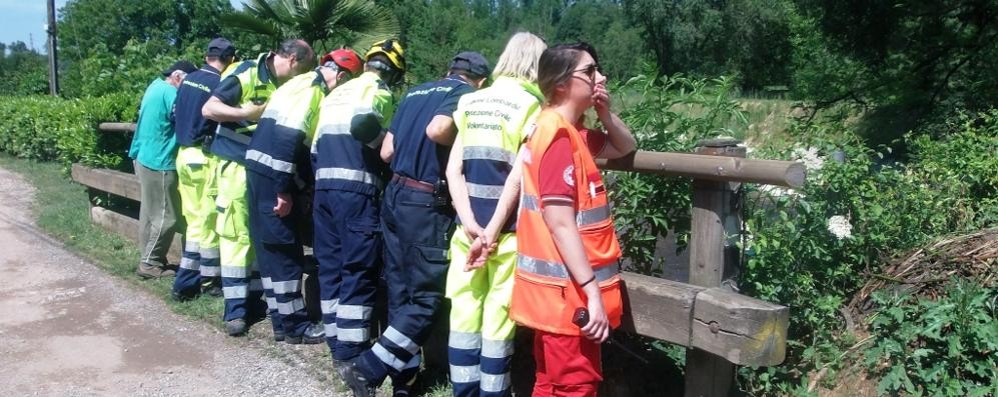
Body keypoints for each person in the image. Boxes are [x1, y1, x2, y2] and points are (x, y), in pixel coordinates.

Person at [335, 50, 490, 397]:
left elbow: (387, 152)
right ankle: (368, 367)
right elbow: (438, 130)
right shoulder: (464, 95)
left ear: (449, 69)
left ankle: (402, 382)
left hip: (395, 195)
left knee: (401, 291)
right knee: (427, 299)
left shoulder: (415, 92)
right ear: (480, 81)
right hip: (425, 203)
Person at [506, 43, 636, 396]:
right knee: (574, 387)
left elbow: (625, 146)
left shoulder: (565, 131)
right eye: (590, 71)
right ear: (562, 83)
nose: (601, 77)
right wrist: (592, 294)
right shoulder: (560, 137)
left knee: (550, 384)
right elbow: (560, 222)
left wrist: (606, 114)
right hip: (569, 299)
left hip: (554, 299)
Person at [442, 32, 547, 397]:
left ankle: (463, 392)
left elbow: (453, 170)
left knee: (464, 315)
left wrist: (471, 225)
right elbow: (516, 179)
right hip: (505, 235)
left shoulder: (471, 101)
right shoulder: (532, 108)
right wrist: (491, 232)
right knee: (498, 320)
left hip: (466, 231)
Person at [244, 48, 365, 344]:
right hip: (275, 173)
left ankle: (280, 322)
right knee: (285, 250)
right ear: (340, 75)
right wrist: (283, 188)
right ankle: (296, 327)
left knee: (270, 249)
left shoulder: (295, 82)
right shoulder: (314, 91)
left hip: (258, 168)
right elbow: (289, 136)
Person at [202, 38, 316, 336]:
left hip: (262, 170)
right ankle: (235, 312)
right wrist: (247, 115)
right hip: (235, 164)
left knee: (259, 237)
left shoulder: (288, 86)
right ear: (292, 59)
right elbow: (209, 108)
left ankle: (255, 301)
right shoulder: (248, 73)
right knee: (237, 236)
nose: (306, 74)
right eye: (304, 67)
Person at [310, 39, 404, 379]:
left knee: (331, 265)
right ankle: (350, 352)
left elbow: (316, 147)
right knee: (358, 267)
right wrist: (388, 153)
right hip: (356, 191)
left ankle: (335, 340)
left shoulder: (336, 93)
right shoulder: (377, 89)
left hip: (323, 189)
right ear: (391, 72)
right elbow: (364, 127)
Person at [171, 38, 237, 301]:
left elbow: (174, 115)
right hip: (203, 158)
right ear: (230, 59)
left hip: (183, 155)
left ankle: (198, 279)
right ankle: (196, 283)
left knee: (192, 220)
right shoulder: (218, 84)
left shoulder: (188, 78)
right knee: (206, 223)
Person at [129, 59, 197, 279]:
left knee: (149, 214)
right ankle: (150, 264)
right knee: (166, 216)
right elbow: (186, 123)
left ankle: (148, 258)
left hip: (143, 157)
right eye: (188, 82)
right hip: (161, 161)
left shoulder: (154, 86)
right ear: (177, 77)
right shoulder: (171, 94)